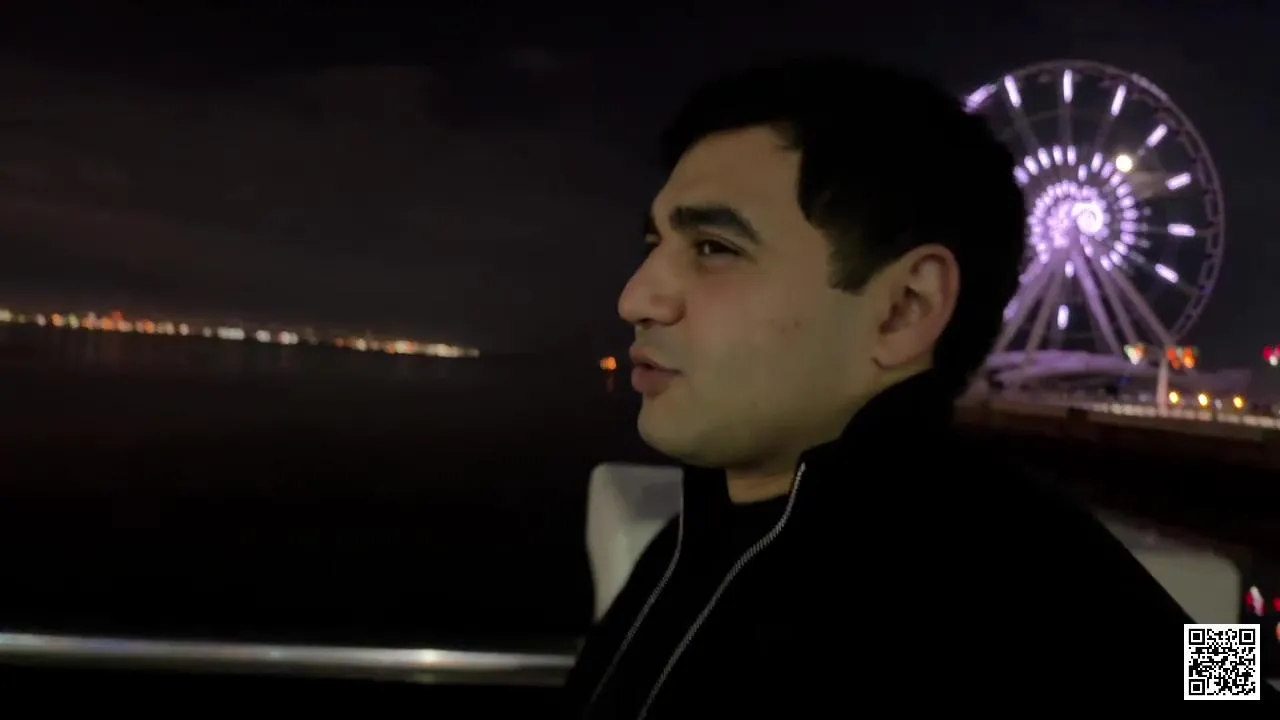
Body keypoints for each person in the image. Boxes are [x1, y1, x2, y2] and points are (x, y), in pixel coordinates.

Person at [563, 56, 1275, 715]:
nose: (636, 298)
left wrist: (1253, 658)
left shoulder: (1046, 587)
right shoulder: (695, 538)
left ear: (906, 307)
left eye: (714, 248)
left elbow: (1236, 683)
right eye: (654, 245)